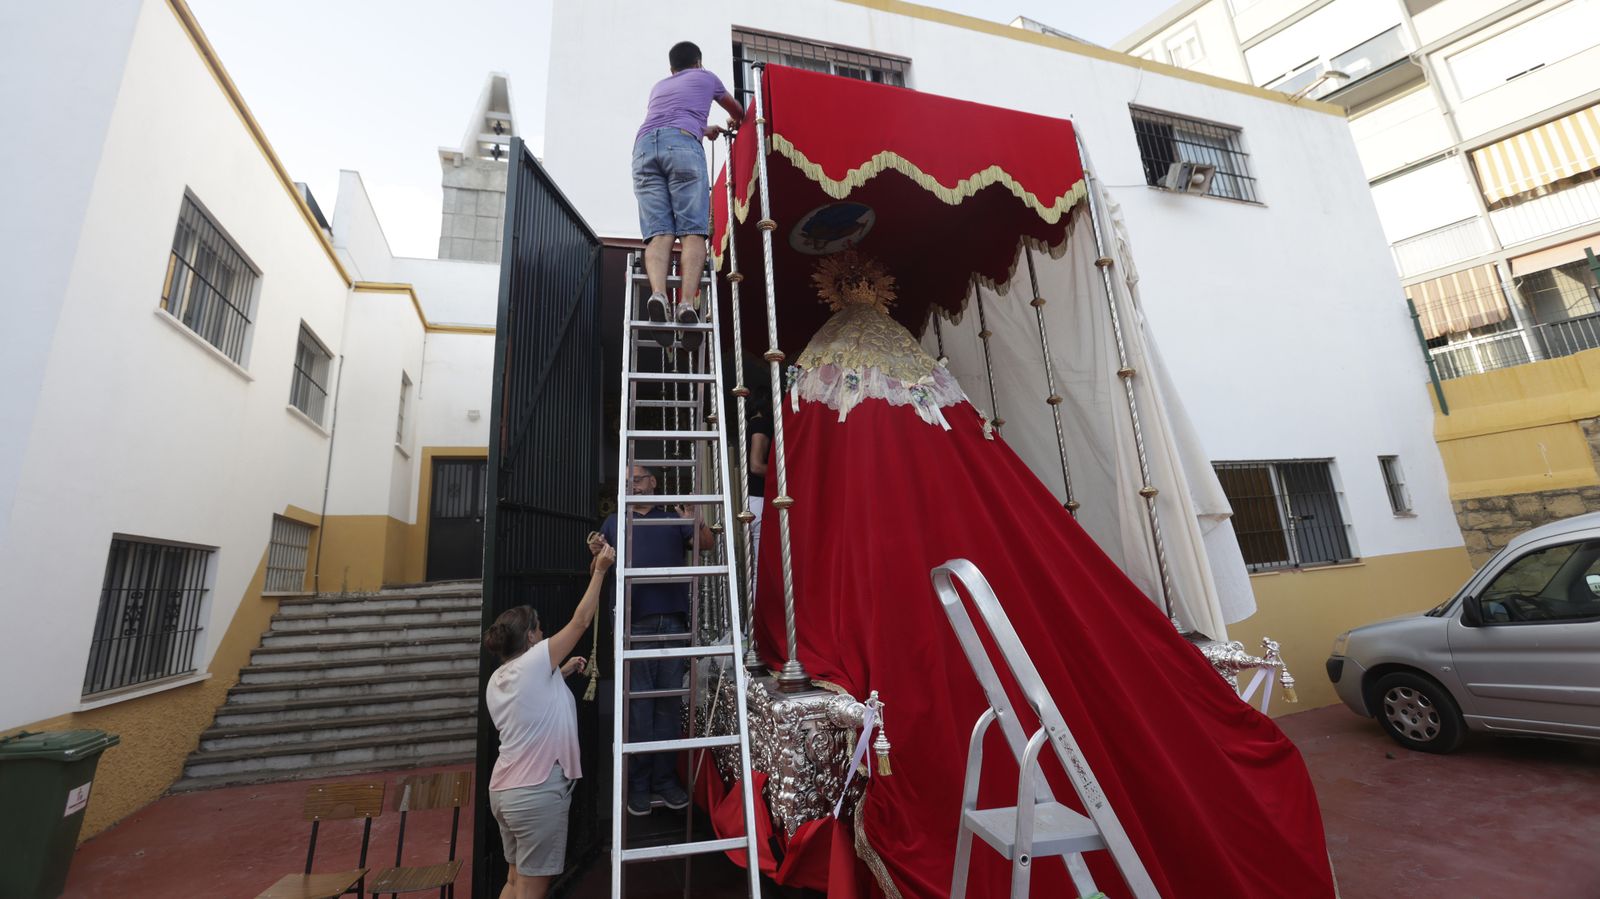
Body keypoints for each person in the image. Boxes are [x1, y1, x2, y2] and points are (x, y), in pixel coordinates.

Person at [482, 543, 615, 899]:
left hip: (504, 793)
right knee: (531, 889)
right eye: (539, 629)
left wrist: (562, 671)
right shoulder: (536, 662)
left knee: (513, 881)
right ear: (529, 637)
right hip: (536, 792)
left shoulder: (499, 679)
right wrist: (600, 571)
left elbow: (533, 706)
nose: (543, 633)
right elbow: (581, 621)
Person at [598, 464, 714, 816]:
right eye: (628, 478)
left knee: (667, 705)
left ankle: (665, 781)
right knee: (639, 707)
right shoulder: (614, 522)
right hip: (636, 624)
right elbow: (598, 569)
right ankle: (639, 786)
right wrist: (597, 553)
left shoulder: (672, 516)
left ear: (653, 483)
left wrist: (696, 518)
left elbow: (705, 546)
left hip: (674, 624)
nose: (633, 482)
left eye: (640, 477)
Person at [633, 41, 744, 348]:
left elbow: (672, 118)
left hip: (644, 148)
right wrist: (734, 121)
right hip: (682, 146)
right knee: (693, 231)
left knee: (659, 233)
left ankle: (657, 294)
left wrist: (703, 128)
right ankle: (684, 305)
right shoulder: (706, 77)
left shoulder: (659, 87)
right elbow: (737, 111)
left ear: (672, 69)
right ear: (698, 62)